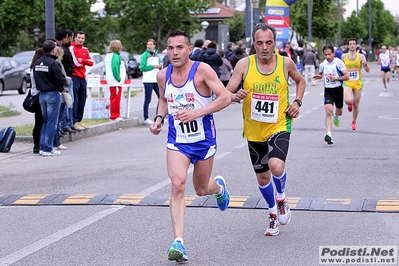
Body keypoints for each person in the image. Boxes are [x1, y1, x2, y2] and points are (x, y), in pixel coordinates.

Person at [149, 30, 231, 262]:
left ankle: (219, 189)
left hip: (204, 139)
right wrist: (158, 119)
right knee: (177, 185)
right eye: (171, 48)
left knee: (201, 189)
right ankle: (179, 242)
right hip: (178, 141)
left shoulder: (202, 70)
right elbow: (164, 100)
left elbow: (224, 98)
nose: (175, 52)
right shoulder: (162, 75)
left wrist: (197, 112)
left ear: (188, 49)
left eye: (179, 48)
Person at [226, 23, 306, 236]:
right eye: (259, 43)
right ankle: (272, 213)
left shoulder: (285, 63)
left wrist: (297, 102)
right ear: (254, 43)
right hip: (254, 130)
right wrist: (235, 96)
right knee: (262, 178)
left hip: (280, 123)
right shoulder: (244, 65)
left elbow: (301, 81)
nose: (264, 47)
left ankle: (281, 197)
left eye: (268, 42)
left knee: (276, 165)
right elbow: (228, 92)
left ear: (275, 43)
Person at [33, 40, 67, 156]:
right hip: (53, 93)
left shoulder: (37, 63)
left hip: (41, 94)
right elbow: (61, 79)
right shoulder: (54, 63)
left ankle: (42, 147)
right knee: (52, 123)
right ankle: (48, 148)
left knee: (45, 121)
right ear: (53, 50)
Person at [313, 44, 349, 145]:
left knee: (339, 111)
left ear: (333, 53)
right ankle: (329, 134)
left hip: (338, 90)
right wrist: (318, 76)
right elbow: (320, 74)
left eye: (329, 54)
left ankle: (336, 116)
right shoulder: (322, 64)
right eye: (325, 55)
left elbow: (347, 77)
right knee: (328, 111)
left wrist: (336, 78)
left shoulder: (339, 63)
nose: (328, 57)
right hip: (328, 90)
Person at [341, 38, 370, 130]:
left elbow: (367, 70)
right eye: (350, 44)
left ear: (356, 45)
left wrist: (365, 64)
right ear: (348, 46)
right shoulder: (344, 56)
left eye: (354, 44)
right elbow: (340, 69)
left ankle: (354, 121)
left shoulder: (361, 56)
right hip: (348, 81)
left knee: (356, 105)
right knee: (347, 100)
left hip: (357, 82)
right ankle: (350, 103)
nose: (352, 45)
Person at [69, 30, 94, 130]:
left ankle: (79, 120)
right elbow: (76, 63)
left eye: (82, 38)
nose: (80, 40)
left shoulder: (85, 49)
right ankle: (73, 120)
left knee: (82, 99)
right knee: (75, 99)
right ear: (75, 38)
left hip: (83, 77)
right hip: (74, 76)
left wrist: (82, 60)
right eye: (79, 38)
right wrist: (83, 61)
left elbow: (91, 62)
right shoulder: (71, 48)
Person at [58, 29, 78, 134]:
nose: (71, 40)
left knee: (71, 102)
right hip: (66, 78)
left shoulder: (66, 48)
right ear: (66, 37)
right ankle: (65, 124)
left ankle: (69, 123)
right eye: (70, 37)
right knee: (67, 102)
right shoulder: (61, 49)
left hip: (69, 77)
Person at [139, 38, 162, 125]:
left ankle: (159, 116)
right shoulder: (145, 55)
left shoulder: (156, 55)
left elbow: (159, 66)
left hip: (156, 80)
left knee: (161, 97)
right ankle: (146, 117)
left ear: (154, 45)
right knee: (148, 99)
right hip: (148, 80)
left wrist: (159, 67)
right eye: (148, 44)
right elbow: (142, 67)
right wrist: (153, 66)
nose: (149, 46)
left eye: (151, 44)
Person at [53, 46, 70, 150]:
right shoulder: (58, 64)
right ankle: (57, 141)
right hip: (60, 94)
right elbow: (63, 79)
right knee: (57, 120)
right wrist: (68, 80)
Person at [104, 40, 125, 121]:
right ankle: (114, 115)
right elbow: (115, 68)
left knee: (113, 97)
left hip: (111, 80)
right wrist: (118, 78)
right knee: (116, 98)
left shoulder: (108, 56)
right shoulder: (115, 56)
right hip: (116, 81)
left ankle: (115, 114)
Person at [29, 48, 44, 154]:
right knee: (40, 122)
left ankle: (37, 144)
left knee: (38, 122)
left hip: (35, 95)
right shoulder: (38, 69)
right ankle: (38, 144)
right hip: (39, 96)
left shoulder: (33, 68)